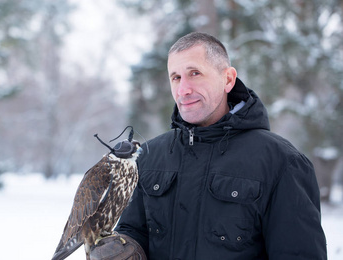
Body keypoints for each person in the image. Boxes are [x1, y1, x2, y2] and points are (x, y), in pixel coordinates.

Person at [90, 32, 327, 259]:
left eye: (195, 73)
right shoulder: (149, 157)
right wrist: (123, 249)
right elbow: (134, 231)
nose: (183, 89)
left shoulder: (282, 163)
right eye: (176, 77)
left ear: (228, 79)